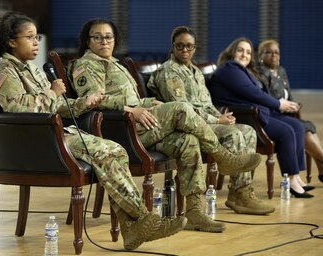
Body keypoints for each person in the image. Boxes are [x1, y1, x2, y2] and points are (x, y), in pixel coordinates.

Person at [0, 11, 187, 251]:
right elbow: (16, 108)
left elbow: (57, 106)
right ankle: (144, 220)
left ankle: (133, 227)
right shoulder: (5, 71)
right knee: (108, 151)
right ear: (11, 41)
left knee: (115, 149)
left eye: (36, 37)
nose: (35, 43)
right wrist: (52, 92)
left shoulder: (32, 69)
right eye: (29, 37)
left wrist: (84, 103)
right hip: (38, 142)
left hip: (56, 134)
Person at [68, 18, 262, 233]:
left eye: (109, 37)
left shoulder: (115, 63)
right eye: (98, 37)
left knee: (188, 141)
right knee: (180, 108)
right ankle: (222, 156)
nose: (104, 41)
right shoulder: (86, 65)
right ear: (88, 40)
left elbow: (133, 99)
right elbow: (94, 100)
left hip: (140, 126)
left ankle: (195, 211)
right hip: (119, 131)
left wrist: (150, 103)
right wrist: (132, 110)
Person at [147, 26, 275, 215]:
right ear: (173, 46)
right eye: (180, 46)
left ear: (195, 48)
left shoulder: (195, 72)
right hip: (185, 127)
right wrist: (217, 119)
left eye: (189, 46)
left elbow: (206, 103)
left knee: (247, 130)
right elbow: (183, 110)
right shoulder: (169, 72)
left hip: (208, 121)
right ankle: (240, 193)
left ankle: (240, 193)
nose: (184, 50)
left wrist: (221, 116)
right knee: (233, 134)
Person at [208, 37, 314, 198]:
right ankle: (290, 180)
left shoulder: (242, 70)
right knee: (287, 132)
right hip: (245, 117)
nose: (245, 55)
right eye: (240, 50)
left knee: (297, 126)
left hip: (259, 113)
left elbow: (257, 93)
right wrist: (278, 104)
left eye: (249, 52)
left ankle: (296, 177)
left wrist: (279, 104)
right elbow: (253, 93)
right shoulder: (230, 68)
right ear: (231, 52)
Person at [257, 39, 323, 184]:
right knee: (303, 129)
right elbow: (267, 99)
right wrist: (284, 105)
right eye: (269, 52)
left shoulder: (281, 70)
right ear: (261, 56)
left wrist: (294, 105)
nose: (273, 55)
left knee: (309, 128)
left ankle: (321, 165)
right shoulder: (260, 73)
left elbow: (288, 94)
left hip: (286, 113)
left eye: (276, 52)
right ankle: (321, 163)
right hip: (273, 114)